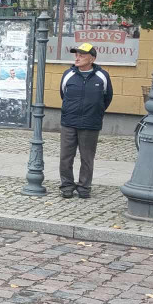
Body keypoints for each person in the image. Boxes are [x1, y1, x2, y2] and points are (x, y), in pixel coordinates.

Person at [59, 43, 113, 200]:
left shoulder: (102, 76)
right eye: (76, 54)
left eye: (82, 55)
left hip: (91, 123)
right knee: (65, 157)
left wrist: (95, 112)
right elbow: (63, 94)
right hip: (69, 122)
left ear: (92, 58)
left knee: (87, 158)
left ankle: (84, 187)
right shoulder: (68, 74)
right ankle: (67, 186)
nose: (77, 57)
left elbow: (107, 98)